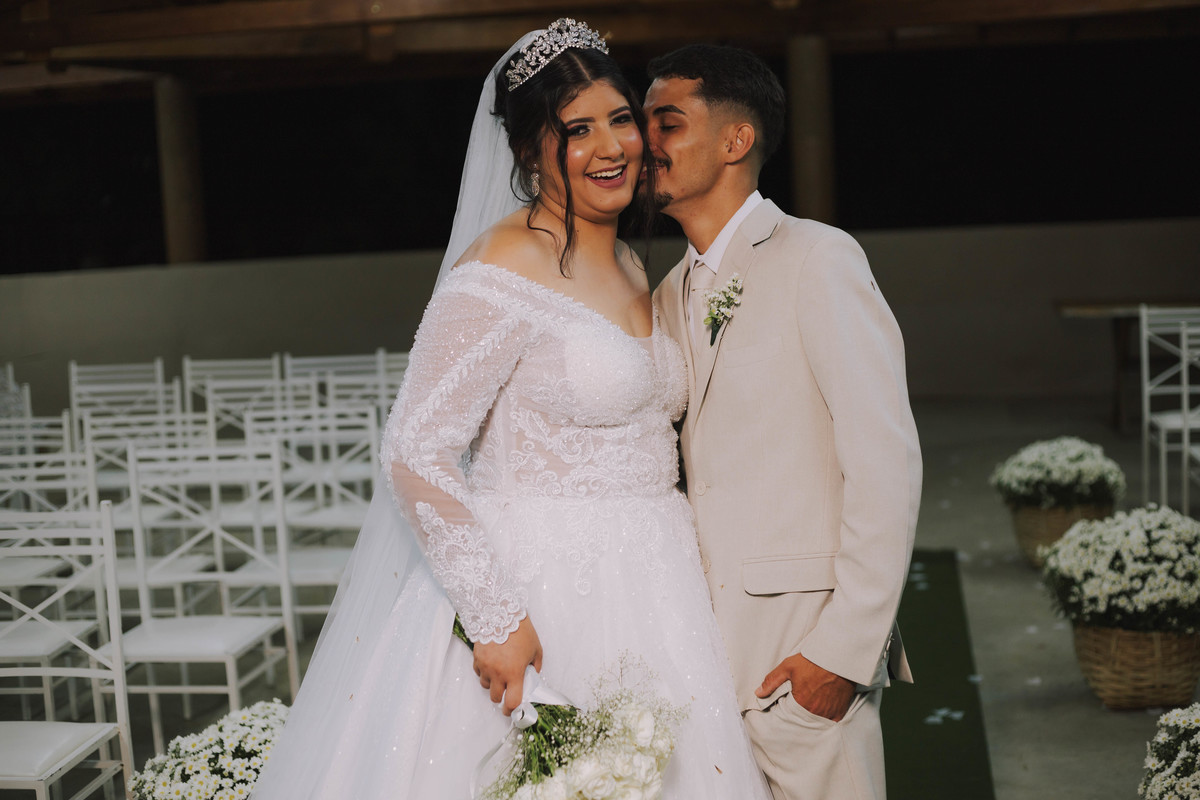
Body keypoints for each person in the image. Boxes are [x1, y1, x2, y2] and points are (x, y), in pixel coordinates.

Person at [251, 21, 770, 799]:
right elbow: (415, 450)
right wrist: (494, 618)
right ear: (530, 153)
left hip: (660, 581)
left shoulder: (633, 263)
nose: (611, 147)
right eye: (577, 130)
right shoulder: (502, 264)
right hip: (542, 592)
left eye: (621, 119)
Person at [645, 44, 922, 800]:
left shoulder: (818, 258)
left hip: (801, 663)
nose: (645, 142)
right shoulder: (666, 294)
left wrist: (841, 654)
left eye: (668, 122)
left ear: (736, 140)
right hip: (702, 666)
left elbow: (885, 462)